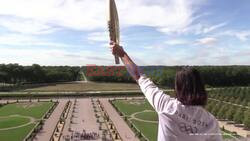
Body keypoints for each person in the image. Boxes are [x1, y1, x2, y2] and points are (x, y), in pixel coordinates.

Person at [110, 41, 222, 141]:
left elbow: (138, 76)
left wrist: (122, 54)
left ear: (178, 88)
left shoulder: (166, 105)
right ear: (201, 87)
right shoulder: (211, 122)